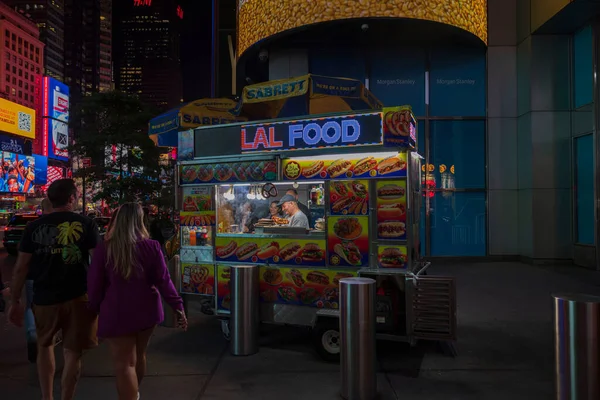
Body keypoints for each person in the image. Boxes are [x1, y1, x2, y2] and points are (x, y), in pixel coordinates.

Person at [8, 179, 101, 400]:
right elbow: (98, 264)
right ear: (71, 198)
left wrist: (14, 300)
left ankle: (47, 397)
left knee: (45, 345)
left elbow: (21, 268)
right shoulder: (87, 224)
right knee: (73, 352)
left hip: (44, 298)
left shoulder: (33, 227)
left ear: (50, 199)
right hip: (79, 296)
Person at [87, 203, 187, 400]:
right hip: (147, 310)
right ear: (140, 221)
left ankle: (130, 395)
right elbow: (164, 281)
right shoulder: (152, 247)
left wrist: (94, 309)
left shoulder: (104, 249)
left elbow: (95, 285)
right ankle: (134, 393)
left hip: (116, 311)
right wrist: (177, 306)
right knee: (139, 356)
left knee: (124, 364)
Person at [23, 197, 55, 363]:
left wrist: (14, 292)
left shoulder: (32, 227)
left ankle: (32, 332)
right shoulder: (61, 227)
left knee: (30, 306)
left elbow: (23, 260)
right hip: (55, 276)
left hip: (33, 276)